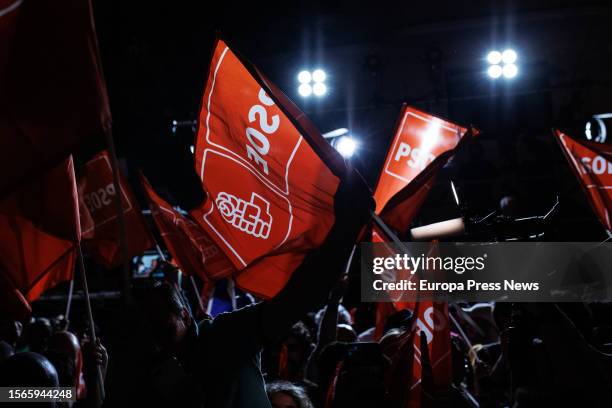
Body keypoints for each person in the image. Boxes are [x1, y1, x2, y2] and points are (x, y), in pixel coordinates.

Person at [142, 172, 373, 407]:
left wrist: (347, 226)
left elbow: (297, 299)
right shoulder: (158, 376)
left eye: (165, 327)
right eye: (150, 330)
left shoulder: (225, 336)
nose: (159, 339)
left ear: (184, 316)